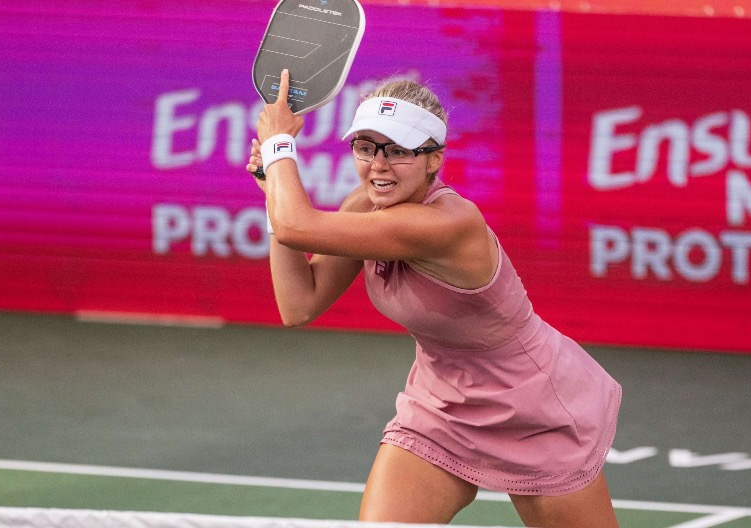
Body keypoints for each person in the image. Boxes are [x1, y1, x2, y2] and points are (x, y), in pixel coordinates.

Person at [247, 69, 622, 527]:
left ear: (434, 158)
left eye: (399, 151)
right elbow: (299, 304)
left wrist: (278, 144)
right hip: (440, 405)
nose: (378, 165)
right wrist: (273, 193)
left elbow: (296, 225)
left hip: (533, 408)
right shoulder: (363, 207)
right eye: (366, 148)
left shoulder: (447, 224)